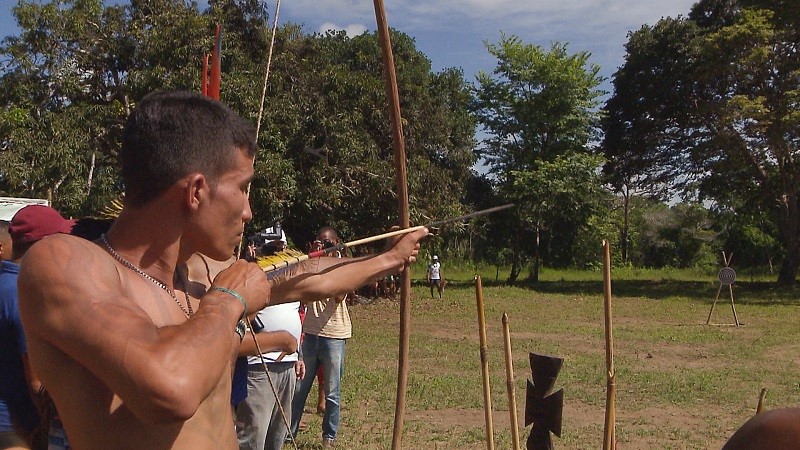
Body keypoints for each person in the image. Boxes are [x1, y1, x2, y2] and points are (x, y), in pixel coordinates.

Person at [17, 90, 426, 450]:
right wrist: (228, 301)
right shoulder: (65, 264)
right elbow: (169, 392)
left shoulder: (199, 272)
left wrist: (389, 258)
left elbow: (309, 278)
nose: (248, 210)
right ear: (196, 192)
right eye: (243, 187)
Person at [1, 206, 74, 450]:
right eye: (61, 240)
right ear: (43, 244)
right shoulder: (24, 293)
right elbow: (35, 381)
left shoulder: (5, 284)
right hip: (17, 428)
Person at [234, 229, 305, 450]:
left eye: (281, 248)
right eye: (271, 249)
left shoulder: (292, 277)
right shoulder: (249, 278)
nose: (277, 254)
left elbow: (297, 317)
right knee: (253, 434)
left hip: (288, 365)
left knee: (278, 434)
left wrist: (299, 355)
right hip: (258, 367)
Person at [290, 227, 351, 448]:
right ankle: (290, 433)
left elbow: (339, 294)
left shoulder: (342, 266)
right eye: (320, 242)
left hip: (334, 334)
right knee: (299, 389)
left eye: (327, 243)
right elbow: (301, 285)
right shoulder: (310, 263)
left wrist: (332, 258)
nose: (323, 246)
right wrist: (314, 257)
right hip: (311, 333)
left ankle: (329, 437)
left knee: (332, 391)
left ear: (336, 242)